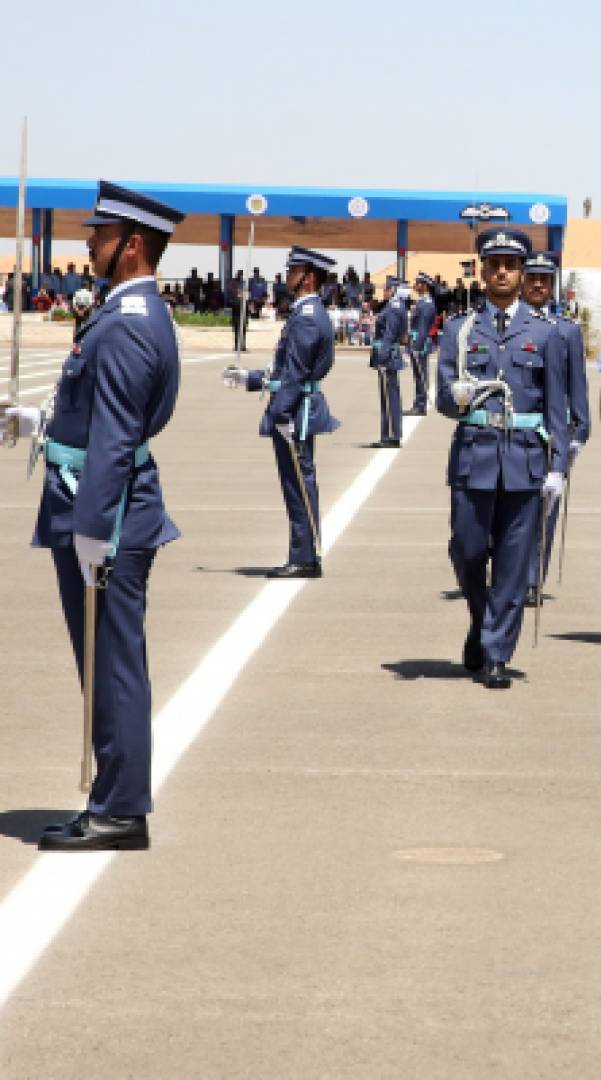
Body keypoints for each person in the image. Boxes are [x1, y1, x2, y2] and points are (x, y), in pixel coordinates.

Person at [4, 181, 185, 852]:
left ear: (131, 245)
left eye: (100, 234)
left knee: (113, 664)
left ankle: (119, 807)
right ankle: (112, 796)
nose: (88, 241)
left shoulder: (129, 325)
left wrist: (91, 529)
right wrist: (38, 422)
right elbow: (101, 417)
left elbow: (115, 435)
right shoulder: (123, 316)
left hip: (102, 516)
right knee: (104, 660)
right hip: (96, 504)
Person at [437, 227, 571, 689]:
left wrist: (558, 468)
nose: (501, 272)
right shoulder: (460, 330)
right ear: (483, 270)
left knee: (514, 564)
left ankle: (496, 650)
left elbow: (558, 408)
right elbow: (442, 398)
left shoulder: (546, 334)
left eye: (510, 265)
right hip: (474, 456)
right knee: (467, 551)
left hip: (525, 461)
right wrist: (455, 398)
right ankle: (481, 618)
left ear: (521, 272)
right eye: (493, 264)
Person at [221, 246, 341, 578]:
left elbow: (295, 375)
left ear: (309, 277)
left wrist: (283, 415)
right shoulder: (307, 314)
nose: (287, 276)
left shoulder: (306, 318)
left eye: (293, 270)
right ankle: (304, 552)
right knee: (297, 483)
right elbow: (285, 373)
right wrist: (251, 379)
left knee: (298, 485)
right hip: (296, 407)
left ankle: (305, 556)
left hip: (296, 414)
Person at [522, 251, 590, 602]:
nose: (537, 285)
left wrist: (579, 431)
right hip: (515, 429)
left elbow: (577, 385)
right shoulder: (507, 324)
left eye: (544, 279)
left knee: (545, 506)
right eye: (532, 278)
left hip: (552, 432)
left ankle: (533, 577)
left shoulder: (565, 331)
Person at [370, 275, 409, 447]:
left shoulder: (393, 307)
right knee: (390, 394)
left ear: (392, 290)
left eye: (386, 288)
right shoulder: (397, 306)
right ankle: (390, 434)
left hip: (387, 357)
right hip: (390, 354)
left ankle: (391, 435)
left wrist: (382, 356)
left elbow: (390, 334)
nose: (384, 292)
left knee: (389, 397)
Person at [408, 272, 437, 415]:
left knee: (420, 374)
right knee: (419, 374)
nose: (416, 285)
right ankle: (419, 403)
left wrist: (416, 346)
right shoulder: (422, 302)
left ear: (425, 286)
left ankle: (420, 405)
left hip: (420, 343)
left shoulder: (426, 304)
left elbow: (423, 328)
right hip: (417, 340)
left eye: (419, 283)